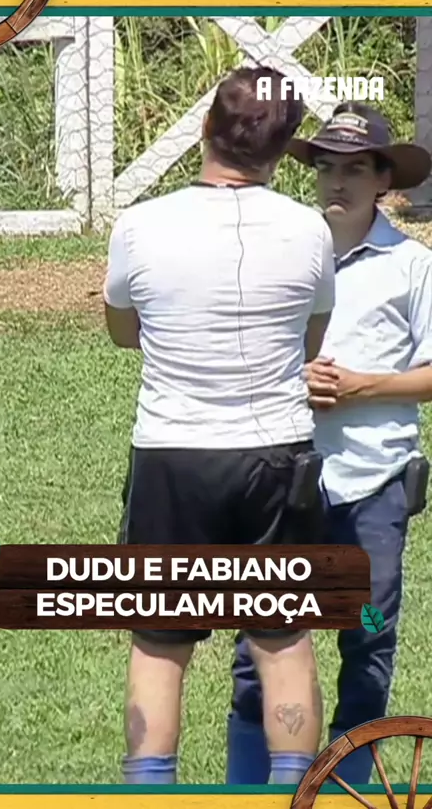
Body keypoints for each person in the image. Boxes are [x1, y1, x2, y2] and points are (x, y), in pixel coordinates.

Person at [103, 66, 336, 786]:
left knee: (160, 646)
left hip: (173, 456)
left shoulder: (140, 225)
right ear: (283, 149)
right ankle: (293, 792)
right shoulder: (310, 230)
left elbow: (122, 330)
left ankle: (150, 795)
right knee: (283, 640)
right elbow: (311, 340)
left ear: (206, 128)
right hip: (277, 456)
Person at [226, 101, 432, 786]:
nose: (337, 182)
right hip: (282, 477)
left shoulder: (413, 266)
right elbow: (240, 350)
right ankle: (252, 791)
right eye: (326, 168)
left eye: (356, 169)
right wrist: (294, 377)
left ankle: (344, 791)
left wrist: (363, 387)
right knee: (260, 645)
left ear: (385, 181)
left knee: (367, 640)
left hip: (374, 484)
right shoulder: (282, 256)